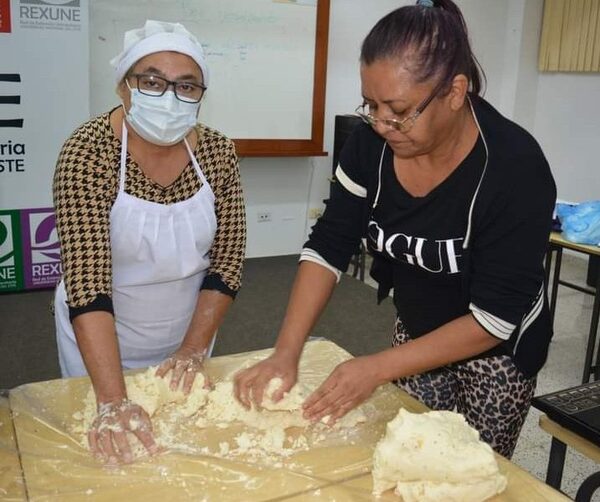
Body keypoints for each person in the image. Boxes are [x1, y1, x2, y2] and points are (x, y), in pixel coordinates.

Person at [234, 0, 556, 458]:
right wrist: (286, 352)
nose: (383, 123)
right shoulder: (371, 146)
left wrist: (375, 368)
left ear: (455, 91)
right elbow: (328, 247)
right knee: (407, 456)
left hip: (495, 353)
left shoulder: (513, 168)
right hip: (418, 328)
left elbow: (493, 319)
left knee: (467, 471)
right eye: (371, 105)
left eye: (399, 109)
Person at [53, 20, 246, 464]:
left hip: (187, 329)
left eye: (186, 86)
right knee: (111, 455)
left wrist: (193, 350)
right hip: (101, 332)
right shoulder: (89, 150)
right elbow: (87, 282)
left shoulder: (217, 152)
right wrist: (113, 400)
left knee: (181, 453)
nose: (170, 97)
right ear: (124, 87)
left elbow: (227, 261)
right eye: (152, 81)